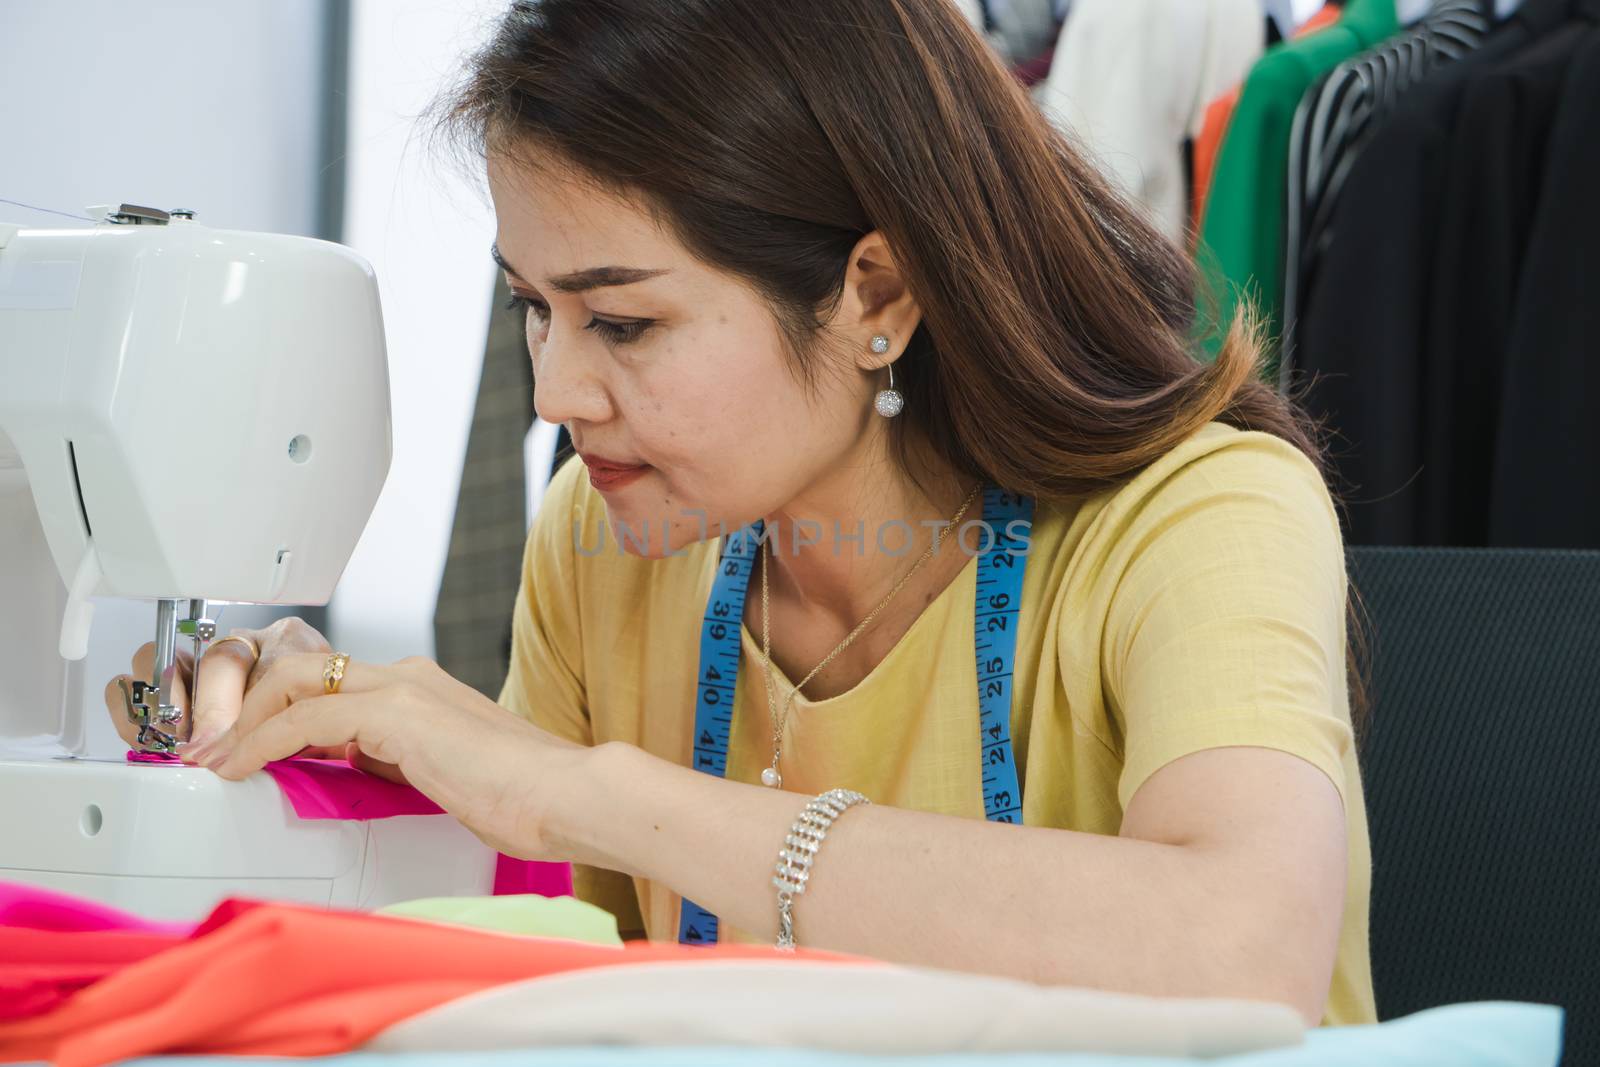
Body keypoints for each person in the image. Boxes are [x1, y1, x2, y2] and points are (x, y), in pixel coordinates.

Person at [104, 0, 1373, 1028]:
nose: (555, 389)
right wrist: (313, 779)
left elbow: (1239, 946)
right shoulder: (600, 544)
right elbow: (534, 962)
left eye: (624, 321)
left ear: (875, 293)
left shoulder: (1196, 516)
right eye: (530, 308)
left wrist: (587, 791)